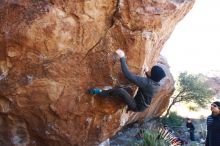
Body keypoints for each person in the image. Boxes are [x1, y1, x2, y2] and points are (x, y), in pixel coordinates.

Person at [88, 49, 166, 112]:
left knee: (121, 91)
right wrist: (146, 72)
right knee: (127, 89)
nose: (149, 71)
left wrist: (122, 57)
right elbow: (151, 80)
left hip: (137, 106)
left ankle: (102, 92)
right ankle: (112, 91)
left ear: (153, 76)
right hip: (143, 105)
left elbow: (128, 75)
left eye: (150, 71)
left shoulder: (147, 83)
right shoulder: (157, 84)